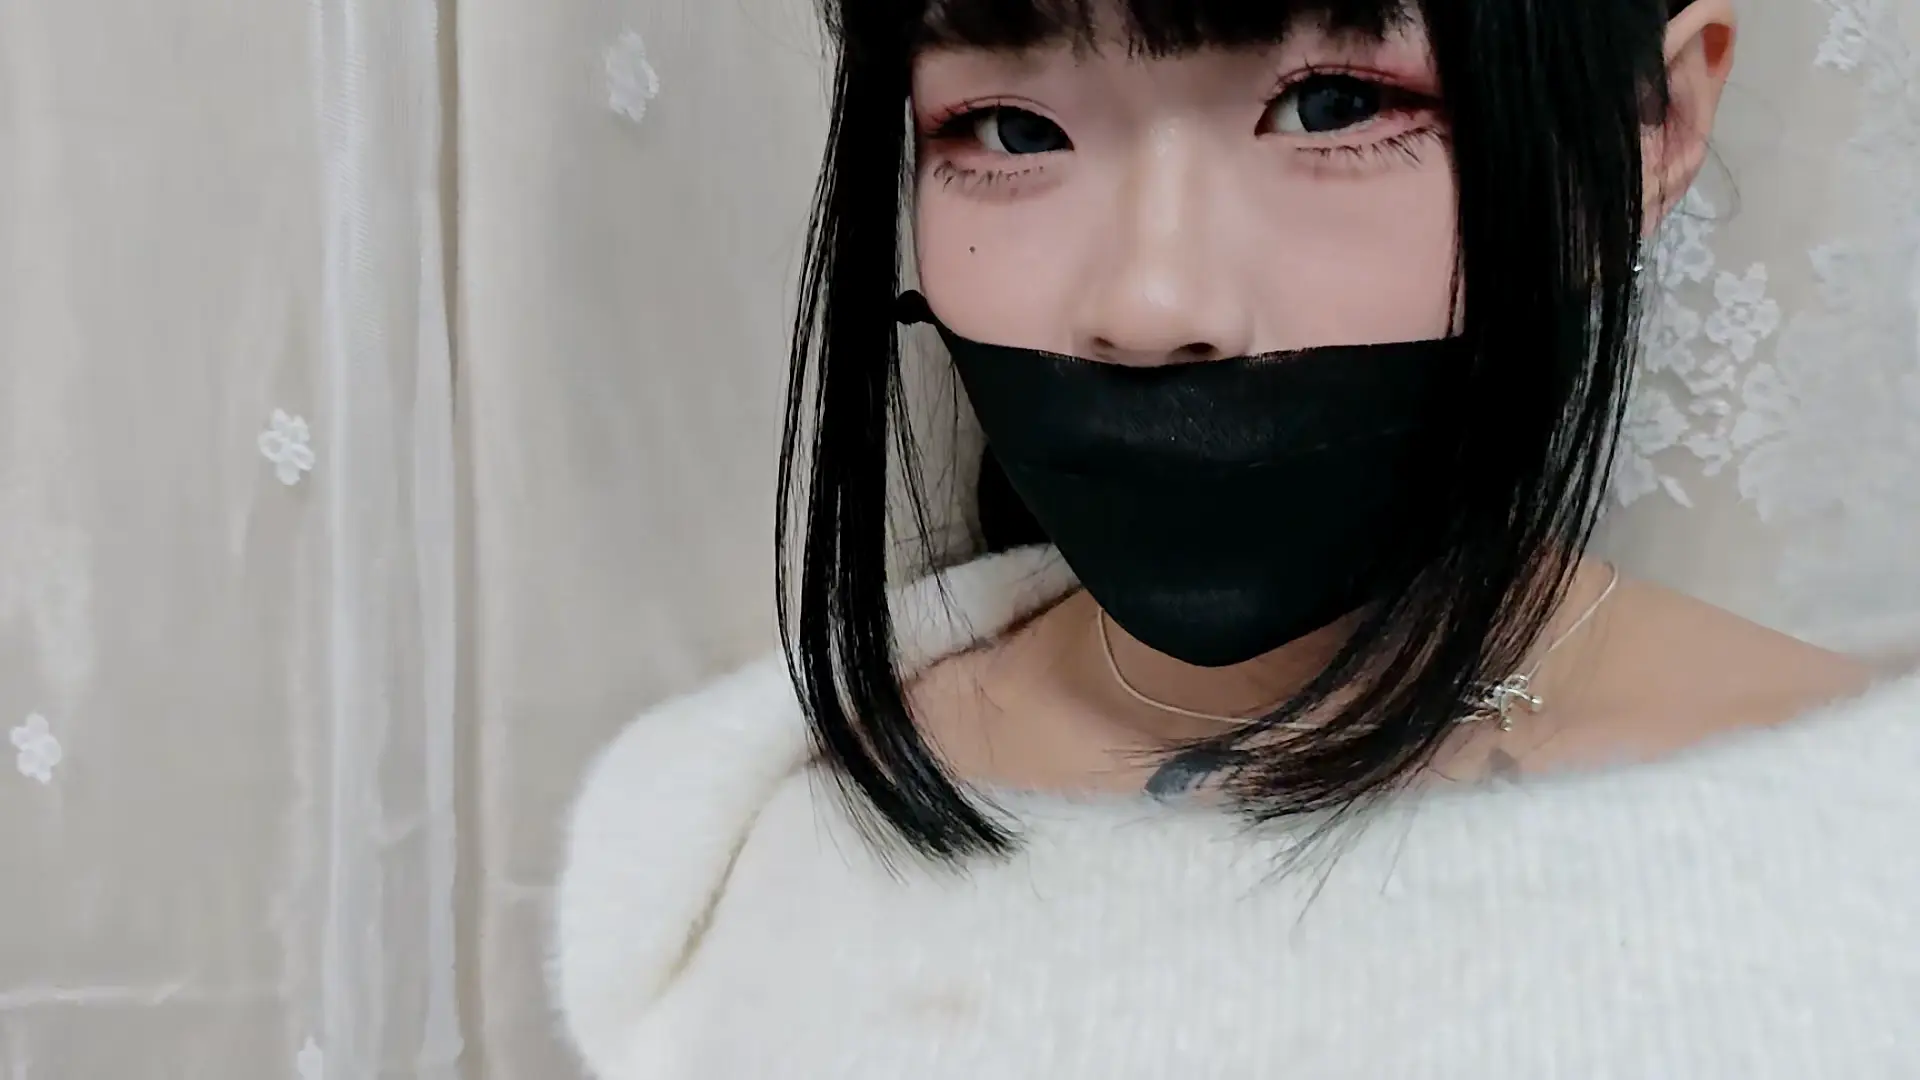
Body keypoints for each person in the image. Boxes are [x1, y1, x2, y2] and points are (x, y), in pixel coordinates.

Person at [554, 0, 1920, 1075]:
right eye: (1011, 131)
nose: (1150, 306)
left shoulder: (1864, 868)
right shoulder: (720, 837)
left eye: (1338, 106)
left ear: (1651, 125)